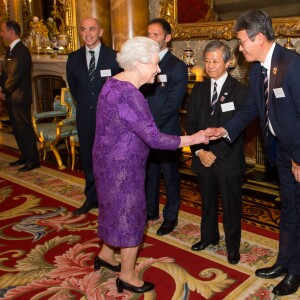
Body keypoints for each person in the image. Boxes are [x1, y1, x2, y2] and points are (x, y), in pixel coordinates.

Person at [92, 36, 208, 294]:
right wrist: (195, 138)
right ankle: (127, 275)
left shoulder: (111, 84)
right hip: (123, 168)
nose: (158, 69)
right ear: (138, 64)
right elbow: (154, 138)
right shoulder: (130, 95)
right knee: (131, 217)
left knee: (113, 210)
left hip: (105, 161)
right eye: (155, 63)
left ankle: (106, 256)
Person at [205, 10, 300, 296]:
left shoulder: (293, 65)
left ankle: (296, 270)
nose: (240, 48)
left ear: (259, 38)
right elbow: (251, 109)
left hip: (297, 153)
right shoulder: (258, 68)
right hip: (280, 151)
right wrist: (225, 131)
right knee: (288, 210)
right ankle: (284, 261)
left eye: (243, 42)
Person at [186, 41, 248, 265]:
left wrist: (216, 152)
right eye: (207, 61)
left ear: (228, 63)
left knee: (231, 207)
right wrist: (201, 151)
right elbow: (191, 122)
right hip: (203, 157)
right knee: (207, 202)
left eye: (215, 61)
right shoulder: (200, 89)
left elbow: (238, 126)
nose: (210, 66)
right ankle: (208, 238)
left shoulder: (240, 91)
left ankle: (233, 248)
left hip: (228, 158)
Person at [67, 17, 121, 215]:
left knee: (109, 159)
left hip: (109, 120)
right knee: (88, 159)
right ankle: (92, 198)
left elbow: (120, 87)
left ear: (101, 32)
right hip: (85, 118)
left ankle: (110, 198)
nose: (87, 33)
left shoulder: (114, 57)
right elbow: (75, 88)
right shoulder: (73, 58)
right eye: (83, 29)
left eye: (92, 29)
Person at [141, 18, 188, 236]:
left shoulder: (177, 66)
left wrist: (149, 126)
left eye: (156, 35)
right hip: (145, 130)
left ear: (167, 38)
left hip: (166, 131)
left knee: (170, 176)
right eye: (148, 34)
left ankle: (170, 217)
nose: (151, 39)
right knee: (149, 173)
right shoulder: (142, 62)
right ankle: (151, 211)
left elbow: (173, 104)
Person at [0, 20, 40, 172]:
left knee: (24, 128)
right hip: (12, 96)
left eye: (3, 31)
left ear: (11, 32)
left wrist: (4, 91)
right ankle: (24, 156)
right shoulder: (11, 50)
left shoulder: (21, 51)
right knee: (17, 129)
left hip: (20, 97)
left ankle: (32, 160)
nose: (1, 34)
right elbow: (5, 73)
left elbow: (15, 76)